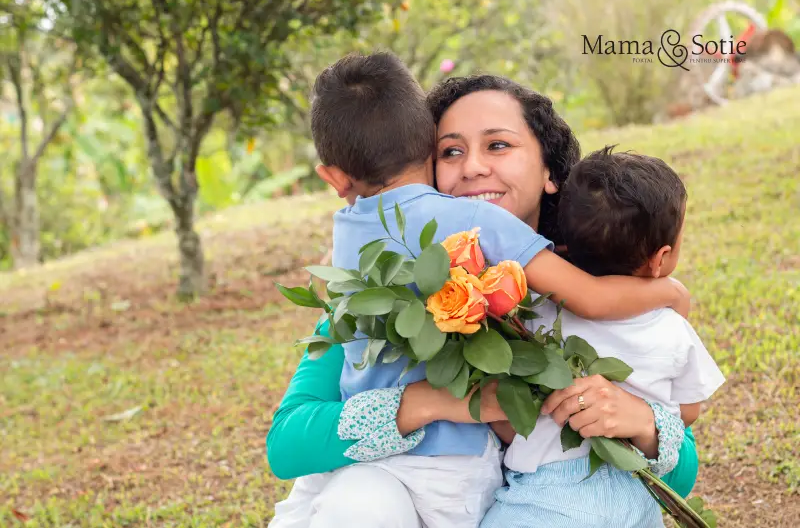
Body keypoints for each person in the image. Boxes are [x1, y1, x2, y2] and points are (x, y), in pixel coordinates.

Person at [267, 70, 700, 527]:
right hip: (401, 506)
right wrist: (432, 402)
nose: (472, 166)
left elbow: (682, 473)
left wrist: (644, 423)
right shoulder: (390, 297)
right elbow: (288, 442)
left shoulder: (605, 295)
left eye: (498, 145)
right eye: (451, 151)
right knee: (362, 501)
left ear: (550, 171)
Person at [481, 147, 725, 528]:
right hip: (631, 494)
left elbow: (507, 416)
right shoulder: (672, 327)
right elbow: (686, 413)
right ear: (660, 258)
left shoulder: (534, 310)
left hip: (540, 498)